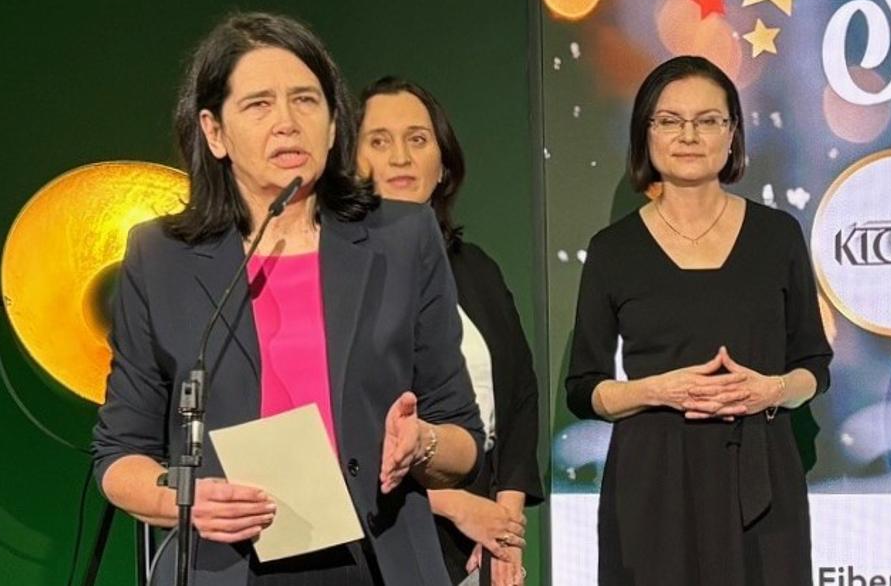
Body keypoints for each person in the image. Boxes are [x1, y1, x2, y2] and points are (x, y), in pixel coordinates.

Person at [91, 12, 485, 586]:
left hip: (378, 560)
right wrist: (187, 498)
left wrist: (420, 443)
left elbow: (463, 440)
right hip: (228, 564)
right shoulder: (161, 257)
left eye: (305, 101)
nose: (287, 123)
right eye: (258, 105)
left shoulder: (402, 238)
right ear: (214, 131)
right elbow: (119, 454)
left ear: (332, 125)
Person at [564, 55, 833, 586]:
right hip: (653, 482)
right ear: (646, 133)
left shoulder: (778, 235)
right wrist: (659, 390)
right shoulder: (613, 250)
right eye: (669, 120)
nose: (689, 135)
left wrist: (771, 390)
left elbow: (814, 368)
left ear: (732, 133)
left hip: (761, 478)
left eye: (709, 120)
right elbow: (584, 389)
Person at [356, 77, 542, 586]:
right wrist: (451, 505)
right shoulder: (338, 274)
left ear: (443, 166)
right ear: (349, 164)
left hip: (479, 538)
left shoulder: (476, 268)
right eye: (379, 141)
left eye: (417, 140)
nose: (400, 157)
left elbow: (520, 395)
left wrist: (504, 526)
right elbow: (337, 440)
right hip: (380, 536)